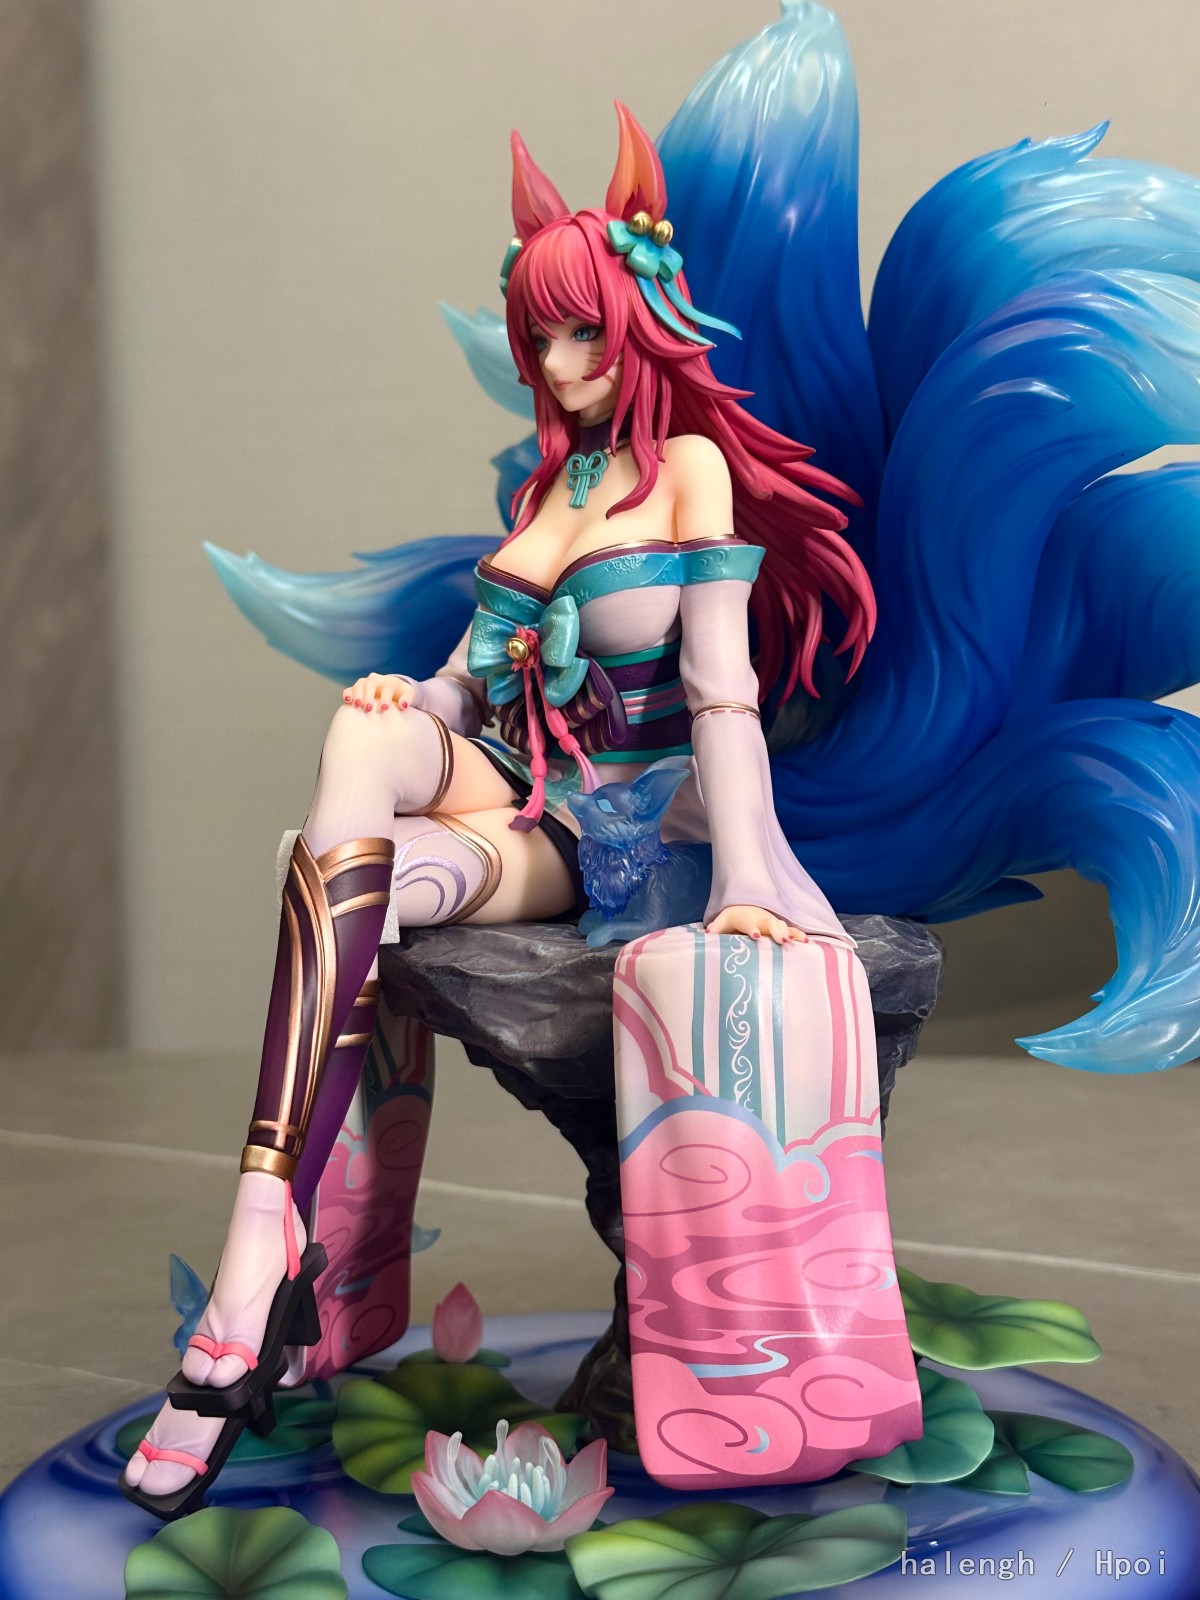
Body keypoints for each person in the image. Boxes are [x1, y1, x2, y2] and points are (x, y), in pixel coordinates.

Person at [120, 104, 881, 1518]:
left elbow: (722, 695)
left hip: (626, 836)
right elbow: (472, 687)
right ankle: (264, 1236)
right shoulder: (554, 485)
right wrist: (404, 697)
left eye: (586, 332)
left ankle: (251, 1286)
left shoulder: (691, 471)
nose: (563, 362)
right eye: (542, 336)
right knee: (354, 791)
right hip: (522, 799)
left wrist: (750, 875)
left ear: (639, 324)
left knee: (332, 872)